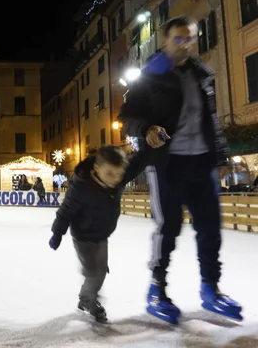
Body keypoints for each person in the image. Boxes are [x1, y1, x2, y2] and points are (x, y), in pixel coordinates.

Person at [118, 16, 242, 324]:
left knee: (210, 229)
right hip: (166, 163)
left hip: (201, 162)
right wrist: (145, 128)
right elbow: (127, 116)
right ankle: (157, 290)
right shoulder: (150, 75)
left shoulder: (202, 73)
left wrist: (222, 156)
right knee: (169, 227)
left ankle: (211, 290)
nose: (184, 44)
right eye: (178, 38)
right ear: (164, 40)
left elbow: (210, 120)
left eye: (189, 38)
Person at [49, 145, 149, 323]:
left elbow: (139, 163)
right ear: (96, 168)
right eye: (110, 174)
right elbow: (66, 211)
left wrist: (150, 146)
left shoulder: (118, 178)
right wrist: (57, 232)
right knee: (94, 272)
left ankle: (85, 296)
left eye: (119, 174)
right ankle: (89, 300)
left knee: (100, 271)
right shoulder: (82, 187)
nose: (115, 179)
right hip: (83, 237)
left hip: (102, 236)